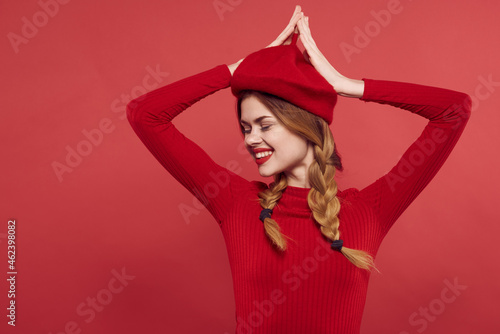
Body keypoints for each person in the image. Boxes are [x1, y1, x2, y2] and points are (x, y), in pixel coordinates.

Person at [126, 5, 471, 334]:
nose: (251, 139)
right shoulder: (236, 203)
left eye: (264, 124)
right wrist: (237, 70)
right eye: (246, 128)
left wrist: (346, 85)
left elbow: (454, 110)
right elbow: (144, 114)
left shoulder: (370, 210)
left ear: (303, 124)